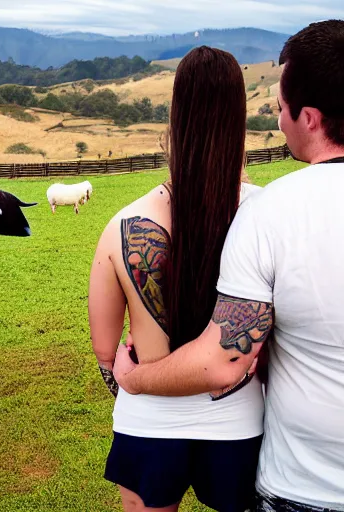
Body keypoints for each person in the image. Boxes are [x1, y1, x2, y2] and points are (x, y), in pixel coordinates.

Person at [114, 20, 344, 512]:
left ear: (309, 117)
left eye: (280, 109)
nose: (277, 121)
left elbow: (226, 358)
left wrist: (134, 379)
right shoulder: (263, 204)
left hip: (307, 488)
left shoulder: (272, 212)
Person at [89, 46, 263, 512]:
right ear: (240, 118)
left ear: (174, 116)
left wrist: (132, 382)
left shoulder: (122, 227)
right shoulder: (267, 216)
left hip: (147, 427)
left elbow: (107, 353)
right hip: (237, 426)